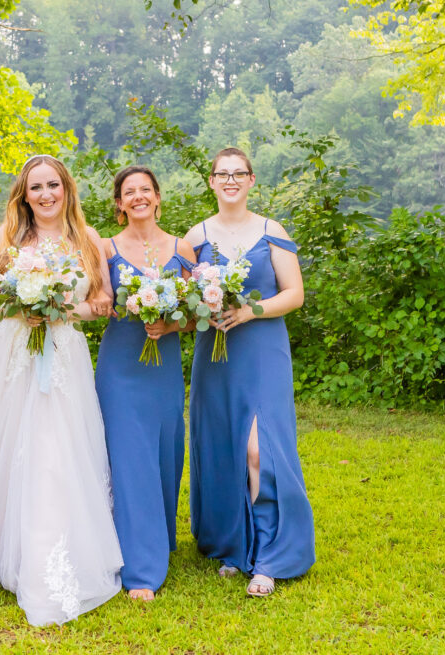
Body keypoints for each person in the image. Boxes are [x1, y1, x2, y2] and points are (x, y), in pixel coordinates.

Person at [0, 154, 122, 626]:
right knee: (2, 445)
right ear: (24, 194)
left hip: (62, 356)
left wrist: (63, 309)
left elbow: (103, 302)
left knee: (54, 448)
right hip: (11, 356)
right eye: (35, 187)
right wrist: (15, 300)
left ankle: (47, 550)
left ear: (67, 189)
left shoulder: (89, 241)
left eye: (53, 186)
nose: (45, 195)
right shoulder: (7, 239)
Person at [183, 148, 315, 597]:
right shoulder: (195, 236)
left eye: (240, 173)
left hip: (261, 350)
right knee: (223, 447)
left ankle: (271, 555)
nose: (231, 180)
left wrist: (250, 310)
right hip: (215, 353)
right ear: (212, 181)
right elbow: (182, 300)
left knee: (261, 449)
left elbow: (294, 293)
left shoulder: (270, 231)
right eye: (223, 173)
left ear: (252, 180)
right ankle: (234, 547)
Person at [94, 166, 196, 602]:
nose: (137, 197)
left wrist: (170, 326)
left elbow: (198, 313)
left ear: (157, 197)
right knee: (129, 458)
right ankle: (141, 569)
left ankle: (157, 536)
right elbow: (98, 298)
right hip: (120, 366)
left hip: (163, 365)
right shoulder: (105, 247)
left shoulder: (183, 247)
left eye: (145, 190)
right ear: (119, 203)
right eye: (128, 192)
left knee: (164, 453)